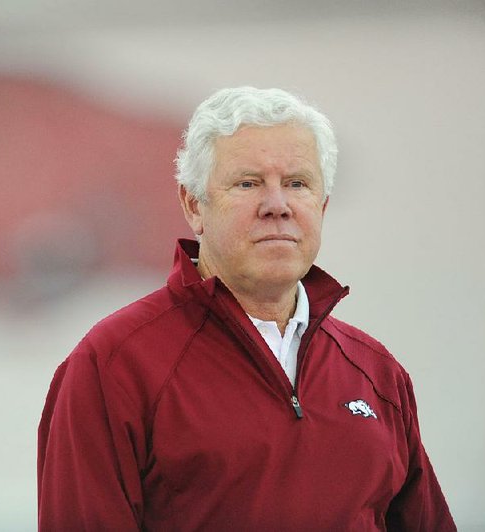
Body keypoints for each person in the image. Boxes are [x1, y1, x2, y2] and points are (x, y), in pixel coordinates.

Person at [37, 87, 455, 531]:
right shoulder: (114, 365)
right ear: (194, 205)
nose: (277, 206)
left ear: (322, 205)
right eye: (248, 183)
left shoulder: (376, 372)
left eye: (298, 183)